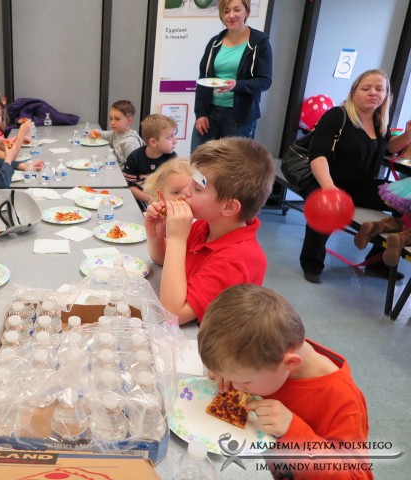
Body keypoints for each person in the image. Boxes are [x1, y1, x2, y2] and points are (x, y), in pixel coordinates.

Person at [198, 285, 372, 479]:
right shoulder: (263, 355)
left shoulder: (344, 402)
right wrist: (224, 368)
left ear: (289, 363)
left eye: (245, 381)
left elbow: (356, 476)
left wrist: (293, 431)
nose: (237, 387)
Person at [144, 137, 274, 324]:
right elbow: (164, 260)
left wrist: (176, 239)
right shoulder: (204, 227)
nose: (186, 191)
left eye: (197, 188)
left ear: (228, 207)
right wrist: (156, 236)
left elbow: (172, 315)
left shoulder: (236, 259)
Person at [301, 69, 411, 283]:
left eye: (379, 89)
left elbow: (389, 148)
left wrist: (407, 136)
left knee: (404, 202)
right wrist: (329, 188)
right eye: (366, 88)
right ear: (353, 92)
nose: (373, 93)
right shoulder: (337, 115)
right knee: (325, 209)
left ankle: (377, 263)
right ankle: (312, 263)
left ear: (386, 95)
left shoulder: (379, 121)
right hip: (329, 181)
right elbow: (318, 156)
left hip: (362, 185)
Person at [191, 0, 272, 153]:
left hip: (239, 117)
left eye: (237, 10)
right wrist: (200, 114)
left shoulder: (259, 42)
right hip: (210, 113)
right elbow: (202, 79)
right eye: (226, 11)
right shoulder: (214, 42)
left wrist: (237, 85)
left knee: (234, 163)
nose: (231, 15)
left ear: (247, 12)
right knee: (198, 160)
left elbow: (265, 81)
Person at [123, 113, 179, 209]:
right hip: (140, 200)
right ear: (153, 142)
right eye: (170, 137)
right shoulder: (135, 157)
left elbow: (175, 187)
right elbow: (128, 186)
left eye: (174, 135)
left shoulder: (172, 159)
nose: (175, 141)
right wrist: (150, 199)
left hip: (164, 201)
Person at [89, 100, 144, 167]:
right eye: (111, 118)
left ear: (129, 121)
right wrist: (93, 132)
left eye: (117, 119)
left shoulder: (131, 143)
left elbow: (134, 168)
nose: (112, 122)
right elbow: (101, 134)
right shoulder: (115, 133)